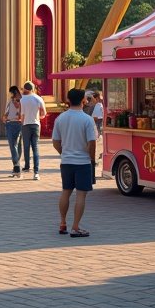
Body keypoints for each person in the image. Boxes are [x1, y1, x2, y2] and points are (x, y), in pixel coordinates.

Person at [52, 88, 97, 238]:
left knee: (66, 191)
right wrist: (91, 158)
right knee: (81, 195)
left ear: (68, 100)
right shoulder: (87, 120)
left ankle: (62, 223)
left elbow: (55, 141)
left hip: (66, 161)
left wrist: (63, 153)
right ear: (83, 100)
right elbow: (92, 142)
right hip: (82, 161)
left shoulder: (61, 118)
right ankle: (76, 227)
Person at [18, 80, 47, 180]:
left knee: (26, 146)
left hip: (26, 124)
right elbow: (43, 113)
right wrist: (39, 117)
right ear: (33, 89)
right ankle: (36, 172)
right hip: (36, 124)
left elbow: (22, 115)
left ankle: (27, 166)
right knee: (35, 147)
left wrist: (21, 123)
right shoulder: (38, 98)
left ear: (25, 89)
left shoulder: (22, 100)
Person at [2, 85, 23, 177]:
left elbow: (8, 112)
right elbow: (6, 112)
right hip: (14, 123)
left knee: (14, 145)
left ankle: (17, 166)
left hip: (15, 123)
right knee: (16, 145)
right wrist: (4, 118)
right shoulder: (14, 101)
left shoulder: (19, 101)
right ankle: (16, 166)